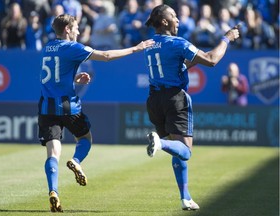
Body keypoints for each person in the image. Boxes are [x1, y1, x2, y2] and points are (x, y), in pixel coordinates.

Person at [38, 14, 154, 212]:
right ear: (67, 29)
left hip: (46, 107)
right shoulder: (72, 47)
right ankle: (76, 160)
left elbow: (53, 76)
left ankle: (53, 190)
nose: (78, 31)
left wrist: (73, 79)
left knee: (53, 152)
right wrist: (137, 48)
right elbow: (106, 56)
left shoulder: (47, 47)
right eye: (76, 28)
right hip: (68, 106)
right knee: (85, 137)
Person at [143, 4, 240, 211]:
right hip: (175, 98)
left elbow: (175, 65)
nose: (178, 20)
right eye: (174, 16)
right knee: (185, 151)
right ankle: (159, 143)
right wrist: (226, 39)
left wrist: (192, 61)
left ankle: (185, 198)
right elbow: (212, 60)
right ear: (164, 21)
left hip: (154, 100)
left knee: (177, 150)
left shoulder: (150, 44)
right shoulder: (178, 43)